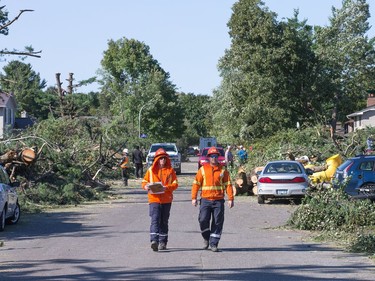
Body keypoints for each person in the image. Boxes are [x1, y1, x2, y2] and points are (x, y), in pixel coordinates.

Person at [191, 146, 234, 252]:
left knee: (218, 221)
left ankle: (214, 243)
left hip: (218, 200)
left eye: (215, 156)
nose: (214, 158)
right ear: (209, 157)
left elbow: (228, 184)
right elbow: (196, 184)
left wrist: (230, 198)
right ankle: (206, 237)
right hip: (205, 200)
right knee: (203, 220)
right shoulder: (203, 169)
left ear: (218, 157)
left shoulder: (223, 170)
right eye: (212, 156)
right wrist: (194, 198)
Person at [142, 148, 178, 251]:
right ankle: (154, 241)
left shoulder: (170, 171)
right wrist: (146, 187)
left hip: (166, 200)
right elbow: (144, 182)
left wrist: (167, 188)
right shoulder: (151, 171)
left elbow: (175, 184)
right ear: (157, 159)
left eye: (164, 158)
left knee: (164, 221)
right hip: (154, 199)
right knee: (155, 219)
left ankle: (163, 242)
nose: (163, 160)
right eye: (160, 158)